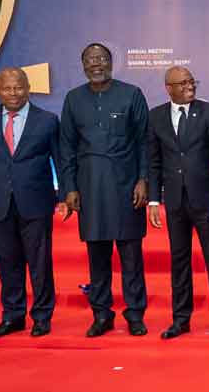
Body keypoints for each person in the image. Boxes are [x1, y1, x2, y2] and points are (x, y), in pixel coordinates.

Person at [0, 67, 63, 337]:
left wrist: (66, 194)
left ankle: (42, 316)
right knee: (7, 262)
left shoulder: (48, 120)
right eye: (7, 88)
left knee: (39, 263)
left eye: (18, 87)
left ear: (28, 88)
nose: (13, 93)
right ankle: (13, 316)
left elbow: (61, 160)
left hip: (36, 201)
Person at [59, 42, 151, 337]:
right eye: (89, 59)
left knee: (131, 257)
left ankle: (135, 314)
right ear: (83, 65)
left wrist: (143, 179)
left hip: (126, 186)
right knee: (96, 256)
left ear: (111, 62)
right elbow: (67, 148)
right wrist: (69, 188)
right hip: (89, 188)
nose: (96, 64)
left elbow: (144, 142)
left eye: (101, 58)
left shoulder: (131, 94)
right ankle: (101, 314)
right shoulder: (73, 99)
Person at [146, 66, 209, 340]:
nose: (189, 86)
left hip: (206, 199)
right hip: (174, 201)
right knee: (178, 261)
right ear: (168, 88)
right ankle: (180, 320)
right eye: (182, 83)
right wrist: (152, 200)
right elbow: (154, 161)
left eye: (191, 81)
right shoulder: (156, 116)